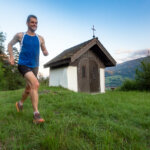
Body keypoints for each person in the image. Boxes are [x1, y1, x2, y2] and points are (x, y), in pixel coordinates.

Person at [8, 15, 49, 124]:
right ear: (27, 23)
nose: (34, 24)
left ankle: (20, 103)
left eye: (36, 23)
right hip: (23, 64)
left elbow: (44, 49)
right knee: (35, 84)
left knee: (28, 88)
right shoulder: (21, 35)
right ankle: (36, 115)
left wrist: (45, 52)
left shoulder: (40, 38)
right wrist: (11, 57)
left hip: (34, 66)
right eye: (32, 22)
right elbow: (10, 45)